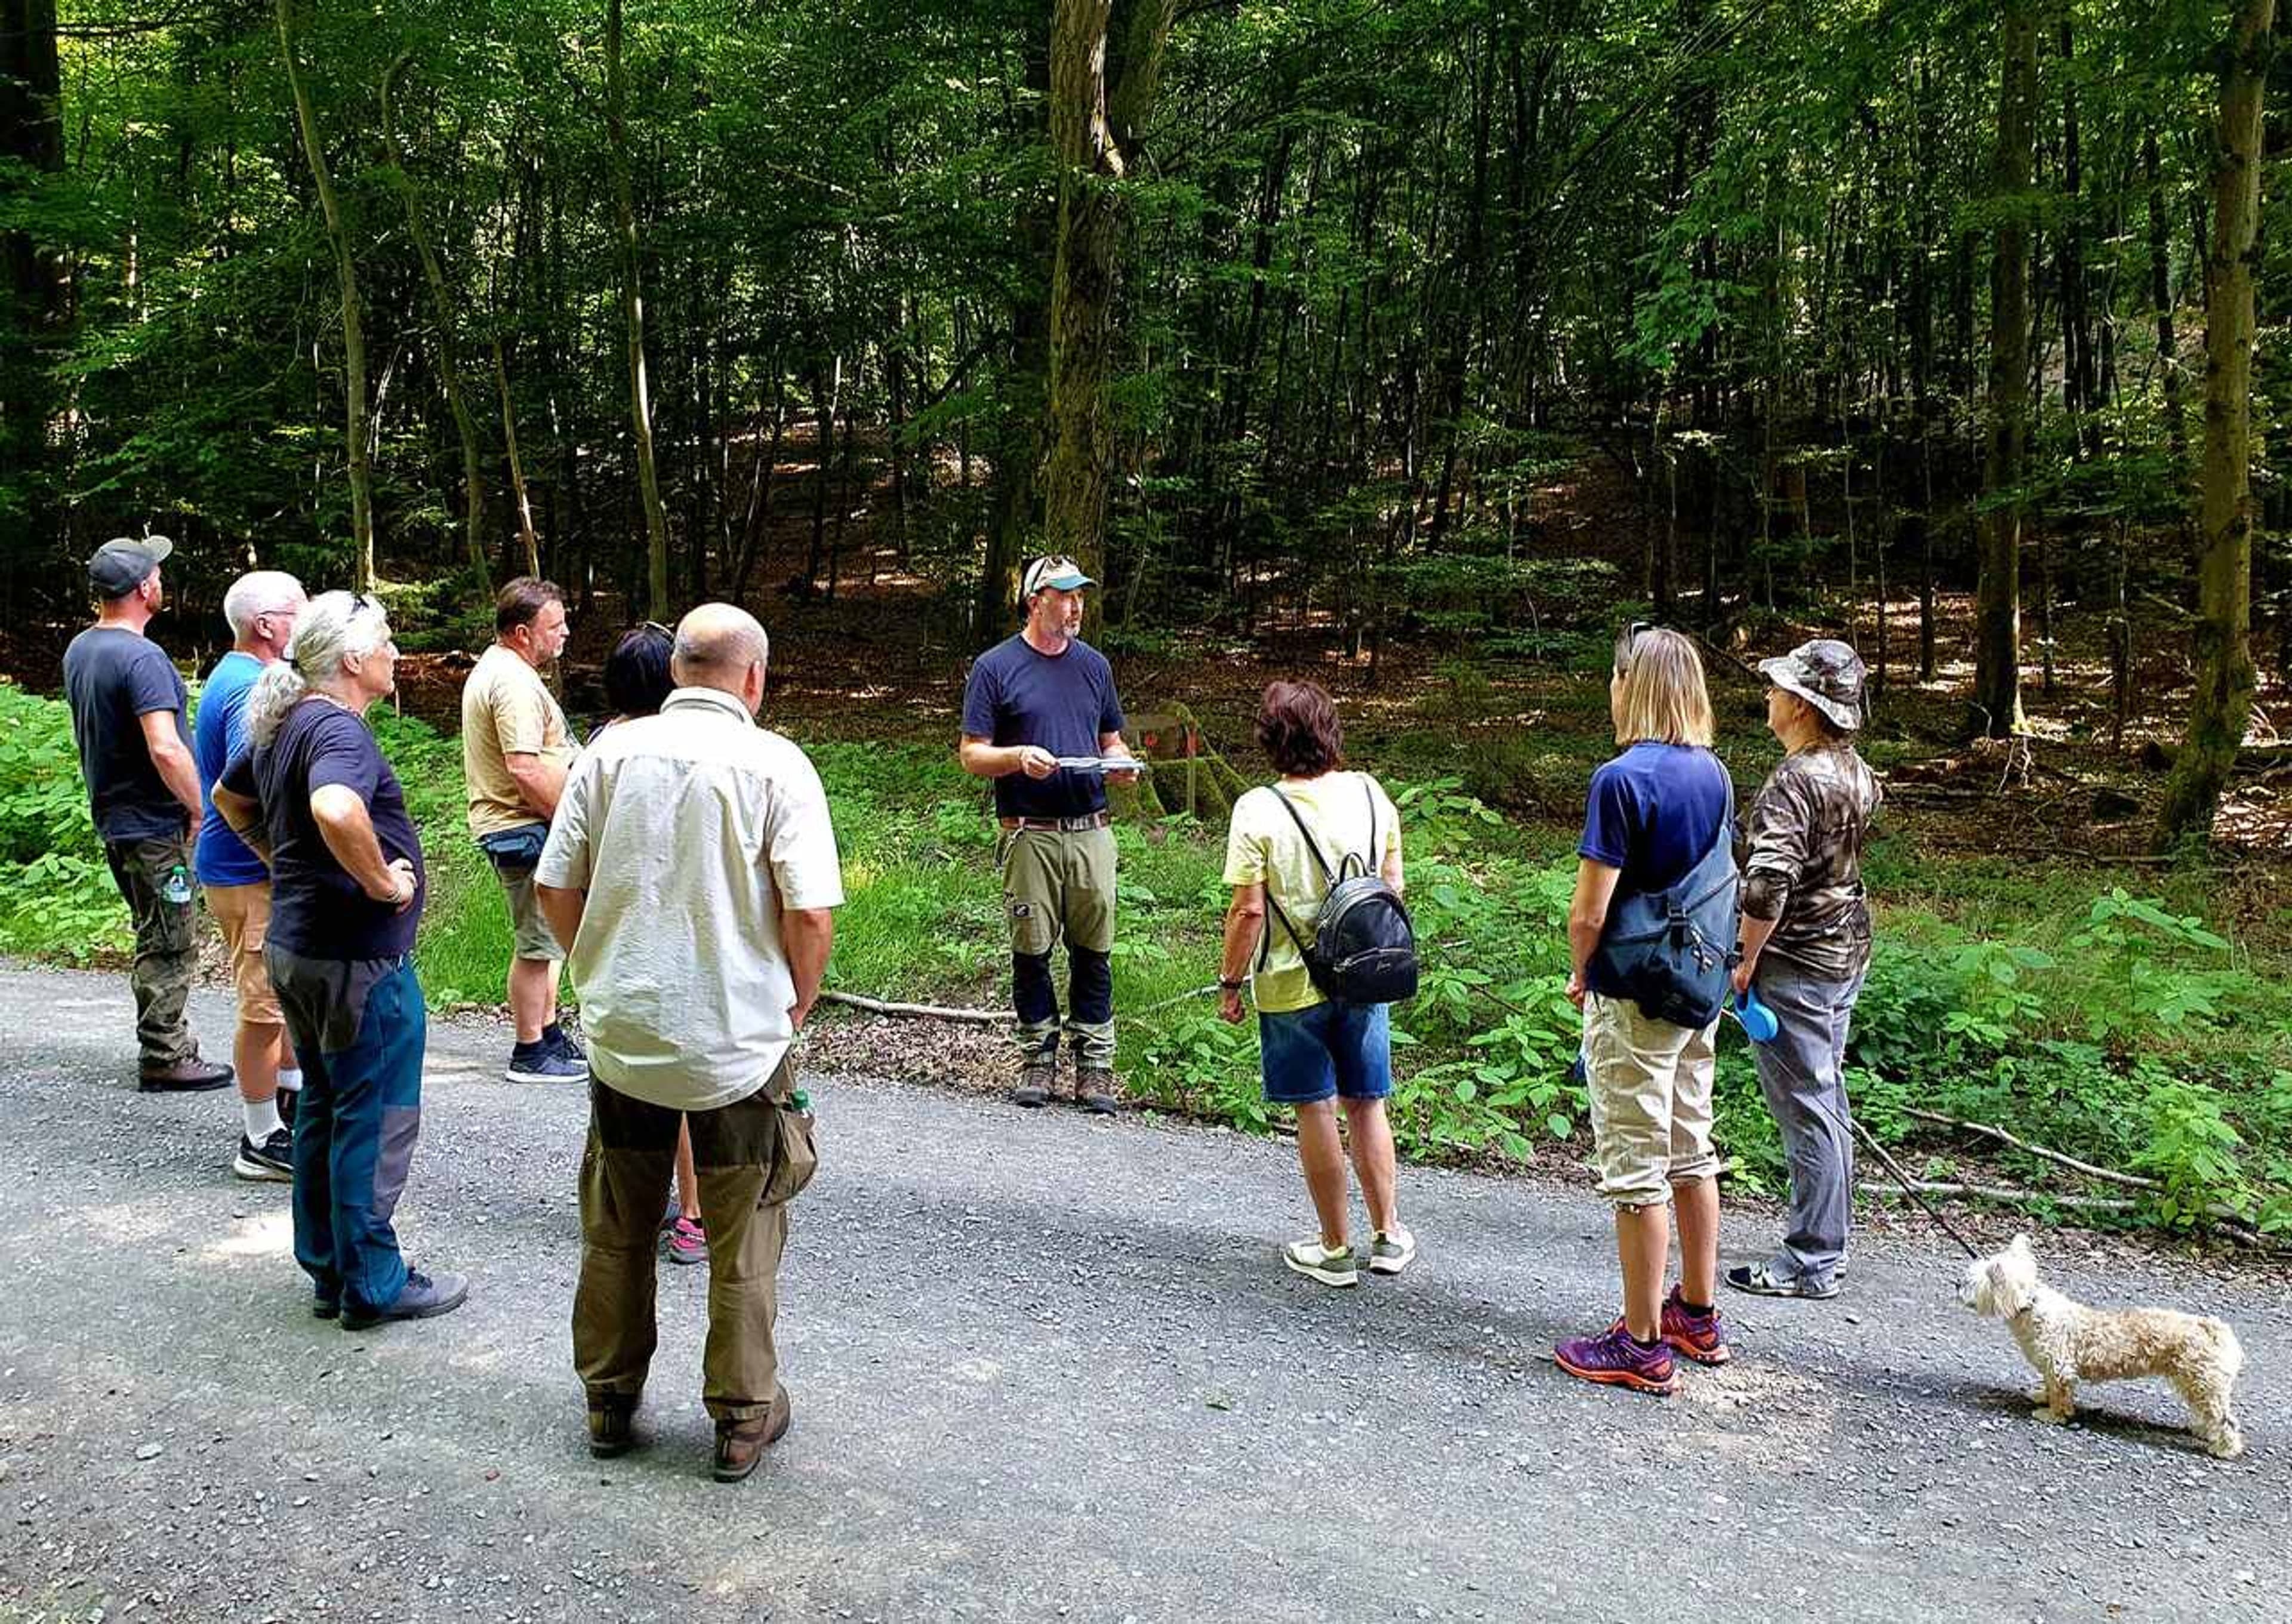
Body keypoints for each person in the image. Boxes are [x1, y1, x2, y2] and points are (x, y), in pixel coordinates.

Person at [536, 603, 842, 1483]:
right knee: (743, 1232)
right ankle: (743, 1417)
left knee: (619, 1221)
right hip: (738, 1042)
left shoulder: (608, 755)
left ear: (677, 672)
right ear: (755, 678)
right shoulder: (777, 763)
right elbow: (810, 911)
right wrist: (799, 996)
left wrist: (595, 961)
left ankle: (609, 1397)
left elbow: (559, 886)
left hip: (626, 1032)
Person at [214, 592, 466, 1330]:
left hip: (299, 949)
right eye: (386, 642)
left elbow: (232, 801)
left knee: (324, 1102)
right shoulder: (338, 733)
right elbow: (334, 808)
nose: (395, 654)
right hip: (356, 961)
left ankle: (328, 1268)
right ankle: (373, 1281)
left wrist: (284, 864)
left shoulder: (287, 719)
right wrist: (384, 882)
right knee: (375, 1113)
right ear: (352, 661)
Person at [1555, 625, 1735, 1395]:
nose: (1610, 688)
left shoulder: (1619, 780)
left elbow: (1590, 909)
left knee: (1637, 1166)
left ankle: (1640, 1342)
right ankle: (1697, 1310)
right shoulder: (1716, 774)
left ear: (1634, 685)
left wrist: (1580, 971)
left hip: (1634, 991)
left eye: (1615, 675)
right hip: (1697, 990)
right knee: (1692, 1146)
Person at [1216, 680, 1414, 1288]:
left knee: (1315, 1107)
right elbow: (1392, 890)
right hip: (1364, 977)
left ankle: (1334, 1248)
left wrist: (1229, 981)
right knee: (1367, 1101)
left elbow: (1249, 911)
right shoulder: (1372, 794)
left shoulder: (1256, 809)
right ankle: (1388, 1235)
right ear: (1331, 732)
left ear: (1270, 741)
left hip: (1288, 984)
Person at [1727, 639, 1881, 1301]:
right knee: (1827, 1095)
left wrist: (1745, 957)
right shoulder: (1856, 772)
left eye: (1779, 688)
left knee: (1807, 1105)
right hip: (1844, 951)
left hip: (1797, 962)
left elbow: (1767, 884)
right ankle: (1828, 1235)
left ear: (1801, 706)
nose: (1770, 695)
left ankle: (1813, 1258)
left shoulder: (1796, 781)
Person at [957, 554, 1139, 1113]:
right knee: (1031, 950)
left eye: (1080, 594)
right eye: (1063, 595)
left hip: (1091, 829)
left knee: (1094, 949)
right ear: (1035, 600)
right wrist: (1016, 758)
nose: (1076, 605)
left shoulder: (1094, 666)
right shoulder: (995, 667)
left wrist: (1124, 762)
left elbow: (1110, 738)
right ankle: (1037, 1056)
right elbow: (971, 753)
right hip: (1029, 832)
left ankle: (1096, 1065)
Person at [61, 535, 233, 1092]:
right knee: (170, 936)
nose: (162, 580)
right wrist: (198, 806)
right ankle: (165, 1053)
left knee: (153, 927)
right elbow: (164, 746)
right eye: (156, 573)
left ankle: (165, 1042)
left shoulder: (82, 649)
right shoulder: (142, 656)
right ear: (143, 588)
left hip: (117, 817)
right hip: (154, 825)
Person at [592, 623, 707, 1269]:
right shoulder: (678, 747)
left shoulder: (601, 748)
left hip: (615, 939)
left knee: (622, 1078)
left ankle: (630, 1200)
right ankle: (693, 1213)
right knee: (686, 1083)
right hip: (677, 932)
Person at [195, 569, 310, 1180]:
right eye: (300, 609)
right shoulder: (252, 686)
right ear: (267, 625)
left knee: (278, 1000)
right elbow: (254, 786)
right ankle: (260, 1137)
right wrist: (288, 859)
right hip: (248, 871)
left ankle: (288, 1107)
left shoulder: (236, 674)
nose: (309, 617)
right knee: (263, 1004)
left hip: (244, 867)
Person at [461, 576, 586, 1083]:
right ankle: (530, 1050)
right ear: (521, 631)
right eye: (554, 626)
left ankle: (549, 1031)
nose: (564, 634)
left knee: (548, 939)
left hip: (526, 825)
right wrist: (571, 824)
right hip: (524, 826)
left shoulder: (508, 670)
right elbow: (525, 767)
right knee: (537, 943)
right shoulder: (511, 682)